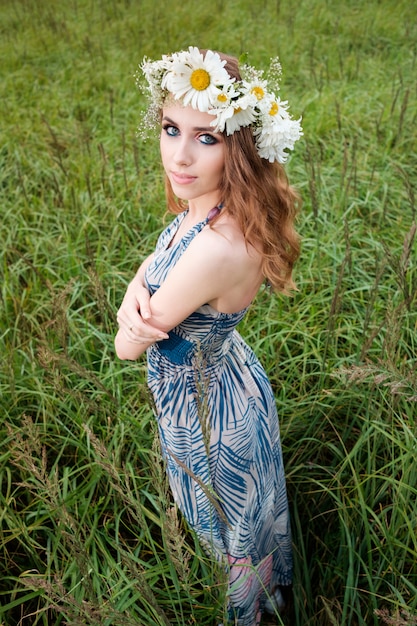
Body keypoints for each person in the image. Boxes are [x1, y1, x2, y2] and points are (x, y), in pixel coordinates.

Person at [115, 46, 302, 625]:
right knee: (237, 521)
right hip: (226, 376)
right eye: (171, 129)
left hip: (207, 411)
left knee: (227, 527)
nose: (179, 154)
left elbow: (127, 347)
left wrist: (132, 316)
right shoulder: (210, 208)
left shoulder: (217, 249)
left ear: (239, 145)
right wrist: (133, 293)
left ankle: (254, 612)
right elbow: (155, 258)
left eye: (206, 137)